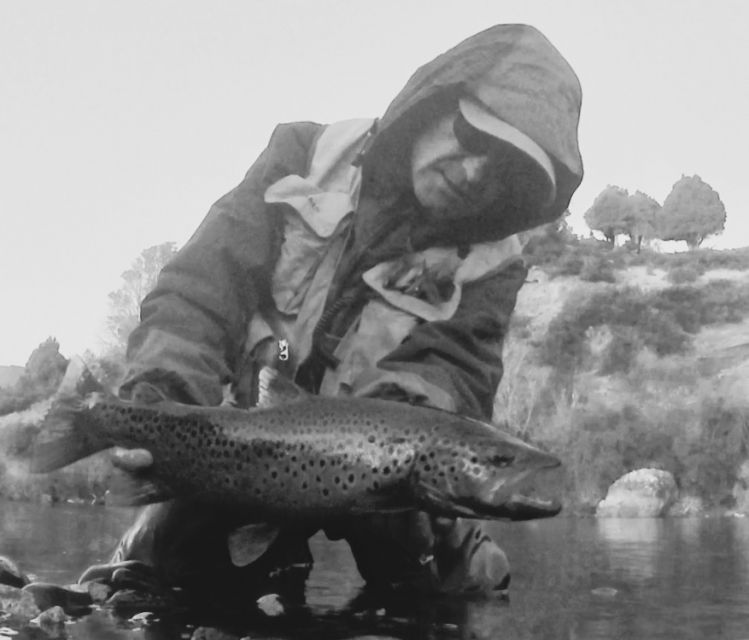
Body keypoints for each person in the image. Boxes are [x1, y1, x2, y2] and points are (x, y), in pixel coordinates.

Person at [85, 24, 583, 604]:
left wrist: (403, 441)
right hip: (246, 443)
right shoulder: (304, 155)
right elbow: (202, 287)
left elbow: (452, 372)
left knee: (452, 591)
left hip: (379, 464)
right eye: (475, 135)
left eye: (506, 172)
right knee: (160, 571)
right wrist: (160, 390)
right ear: (434, 103)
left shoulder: (491, 266)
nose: (476, 172)